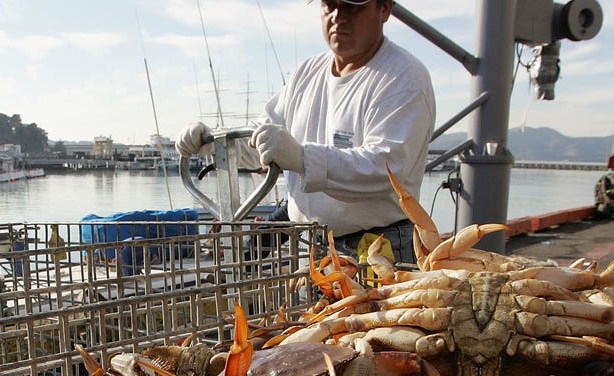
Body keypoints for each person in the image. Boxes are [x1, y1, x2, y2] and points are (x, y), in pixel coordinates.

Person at [176, 0, 435, 266]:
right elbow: (261, 143)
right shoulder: (307, 73)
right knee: (307, 310)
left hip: (378, 250)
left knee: (374, 310)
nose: (338, 16)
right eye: (329, 5)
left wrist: (301, 158)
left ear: (385, 9)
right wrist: (214, 143)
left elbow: (388, 168)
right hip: (310, 248)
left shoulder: (403, 77)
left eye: (352, 6)